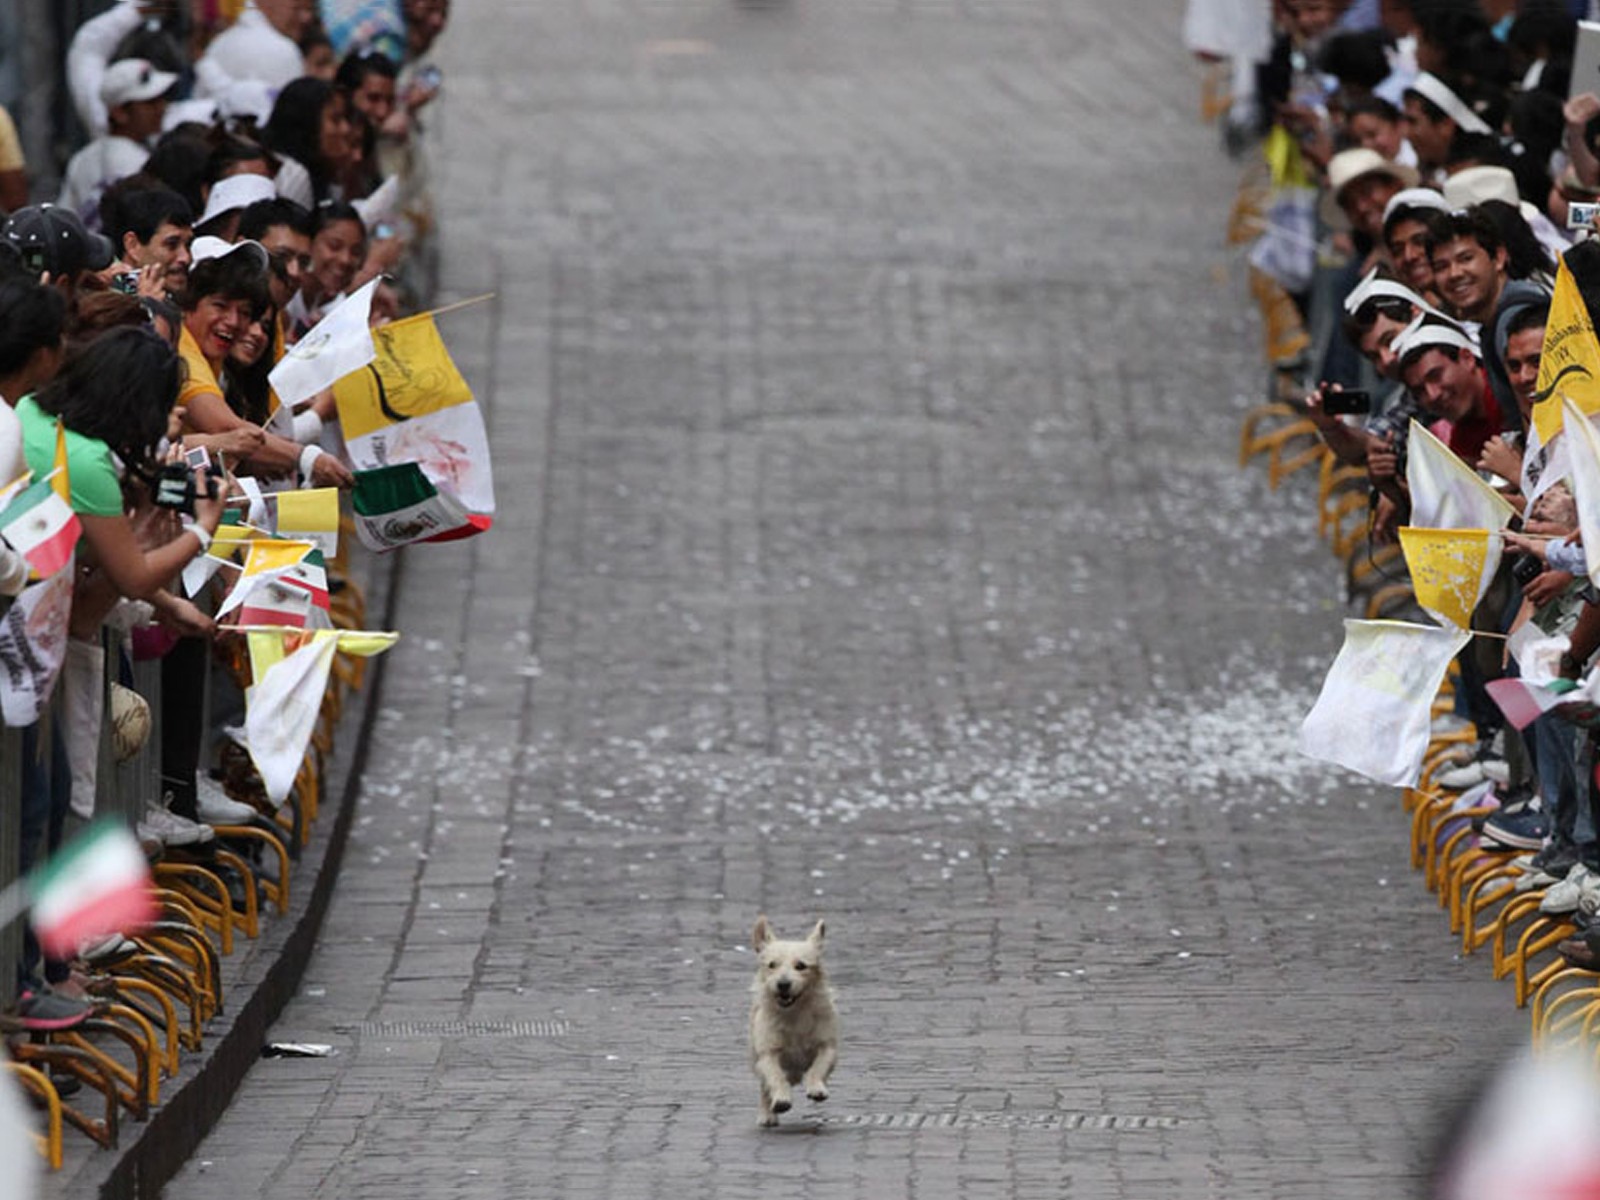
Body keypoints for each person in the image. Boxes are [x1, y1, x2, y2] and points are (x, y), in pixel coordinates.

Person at [57, 58, 179, 229]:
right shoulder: (136, 161)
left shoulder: (82, 158)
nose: (161, 107)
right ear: (120, 113)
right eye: (150, 103)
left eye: (161, 99)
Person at [195, 0, 317, 98]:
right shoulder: (281, 50)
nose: (306, 17)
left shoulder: (219, 43)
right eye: (297, 7)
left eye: (310, 9)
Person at [106, 186, 194, 300]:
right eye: (171, 244)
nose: (186, 258)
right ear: (133, 245)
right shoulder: (103, 306)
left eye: (188, 245)